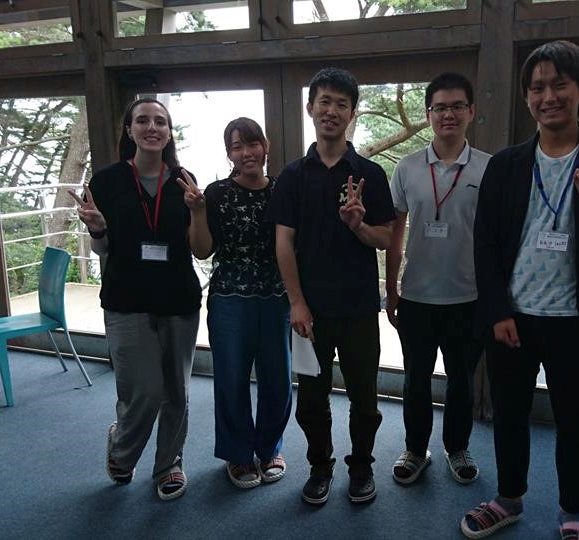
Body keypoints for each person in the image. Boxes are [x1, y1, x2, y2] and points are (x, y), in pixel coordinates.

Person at [461, 41, 579, 539]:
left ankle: (571, 514)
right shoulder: (506, 164)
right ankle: (508, 499)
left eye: (560, 85)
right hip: (514, 318)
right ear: (527, 97)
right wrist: (497, 310)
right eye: (538, 87)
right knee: (509, 417)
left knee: (575, 422)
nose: (548, 97)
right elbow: (486, 243)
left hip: (578, 321)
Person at [266, 67, 395, 506]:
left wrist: (359, 226)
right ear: (310, 108)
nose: (332, 111)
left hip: (358, 308)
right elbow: (283, 243)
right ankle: (320, 467)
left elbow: (387, 238)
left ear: (353, 113)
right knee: (311, 401)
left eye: (342, 104)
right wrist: (297, 303)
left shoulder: (370, 174)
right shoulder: (292, 176)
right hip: (310, 312)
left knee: (365, 399)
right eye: (325, 101)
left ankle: (361, 468)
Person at [69, 97, 203, 501]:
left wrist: (198, 211)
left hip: (178, 297)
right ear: (129, 130)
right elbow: (103, 248)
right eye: (142, 120)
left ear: (169, 133)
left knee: (176, 390)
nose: (152, 127)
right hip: (126, 298)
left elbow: (196, 245)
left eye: (160, 121)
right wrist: (97, 229)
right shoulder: (106, 182)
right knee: (143, 389)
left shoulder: (184, 181)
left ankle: (169, 464)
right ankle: (123, 447)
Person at [385, 72, 490, 486]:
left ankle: (457, 447)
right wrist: (390, 289)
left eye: (457, 106)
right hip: (417, 297)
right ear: (429, 114)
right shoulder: (407, 168)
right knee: (415, 380)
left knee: (462, 381)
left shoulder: (489, 167)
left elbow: (496, 238)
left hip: (469, 297)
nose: (449, 114)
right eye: (440, 107)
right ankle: (415, 449)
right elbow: (394, 234)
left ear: (471, 112)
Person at [177, 117, 292, 489]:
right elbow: (202, 250)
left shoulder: (283, 190)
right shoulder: (216, 193)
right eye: (236, 147)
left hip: (276, 297)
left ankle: (270, 449)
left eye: (252, 144)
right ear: (229, 153)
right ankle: (239, 455)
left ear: (265, 146)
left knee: (278, 379)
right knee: (231, 379)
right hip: (229, 298)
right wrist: (197, 212)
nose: (246, 153)